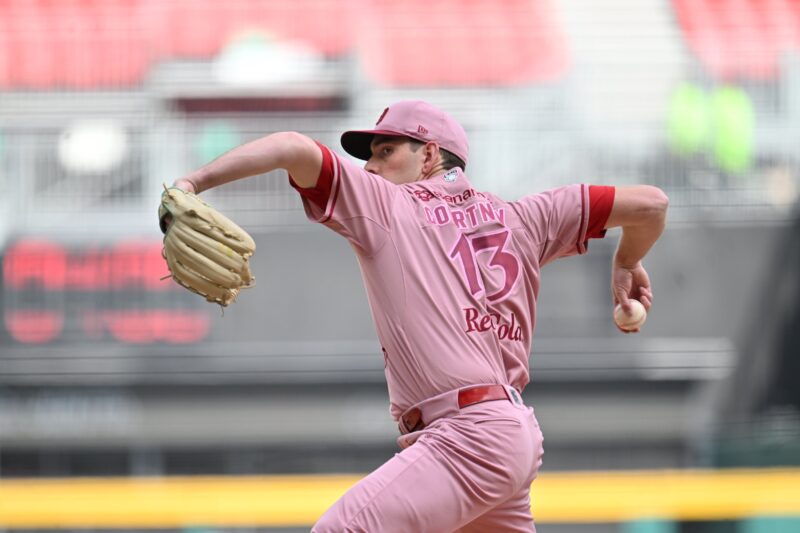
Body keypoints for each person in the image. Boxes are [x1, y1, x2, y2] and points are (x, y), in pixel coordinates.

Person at [171, 100, 668, 532]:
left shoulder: (390, 205)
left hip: (466, 437)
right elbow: (651, 205)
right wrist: (626, 261)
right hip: (506, 434)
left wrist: (193, 181)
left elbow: (292, 147)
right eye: (371, 156)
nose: (370, 167)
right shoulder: (526, 217)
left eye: (386, 151)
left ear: (429, 154)